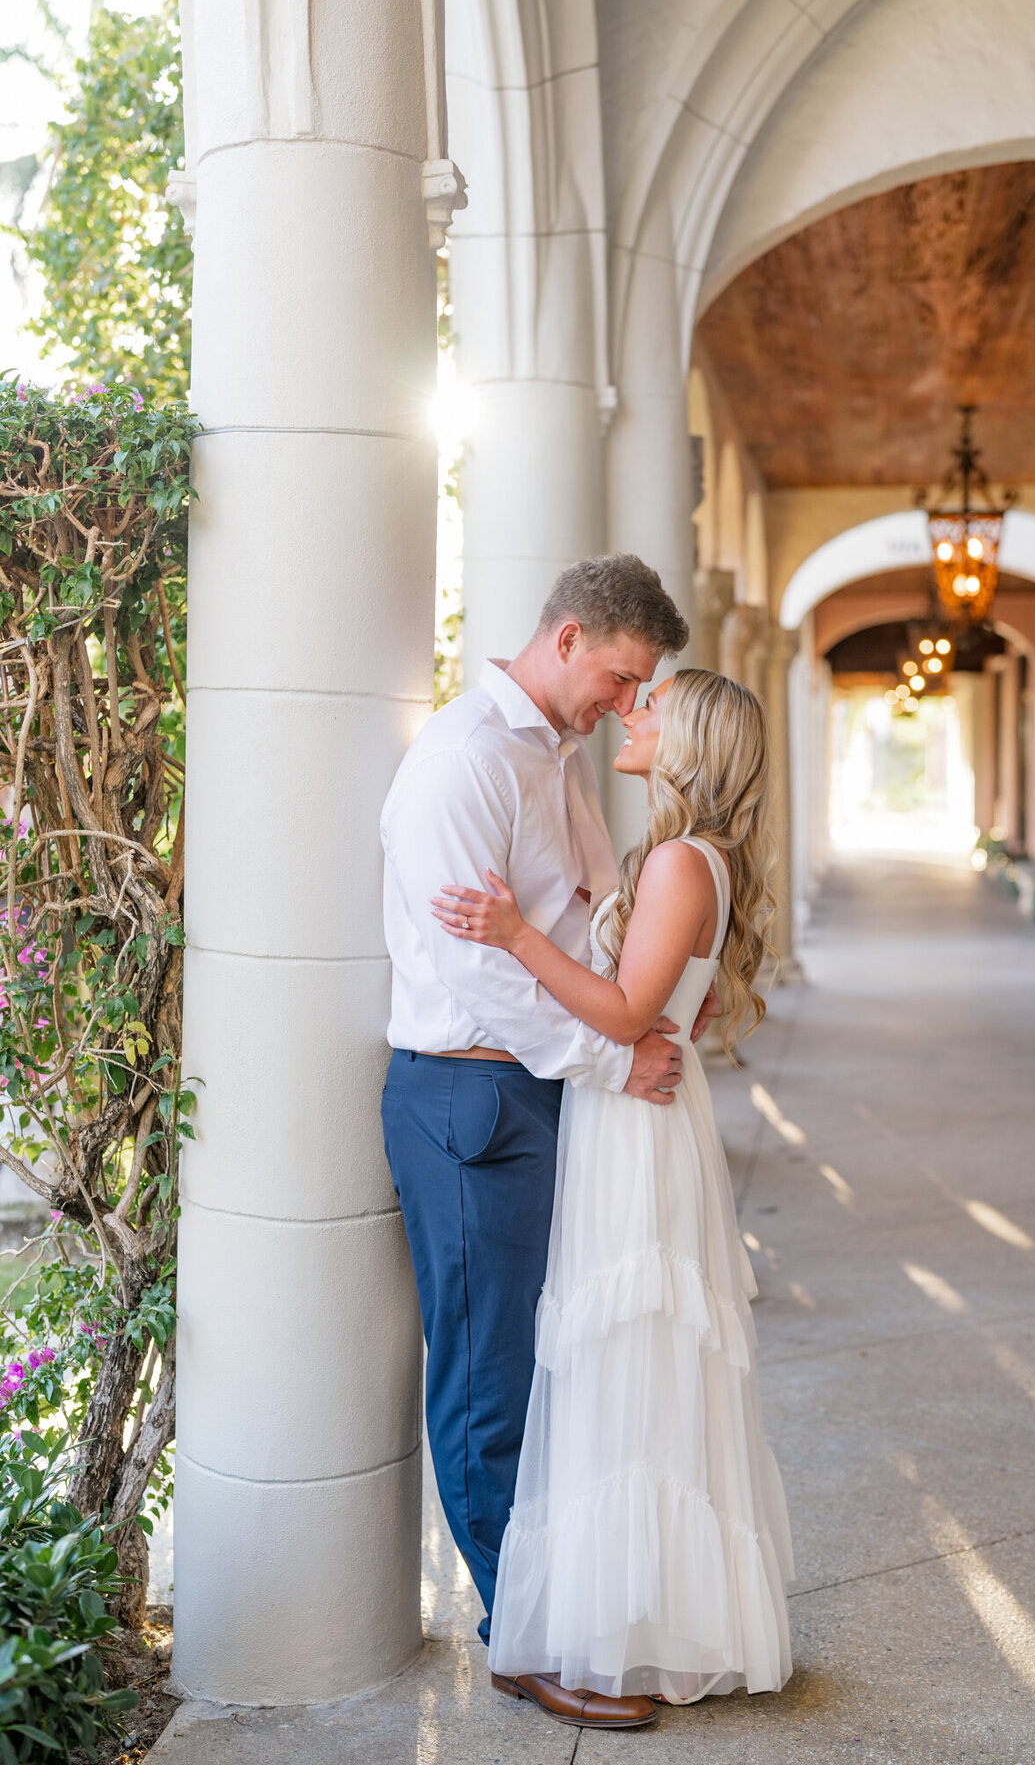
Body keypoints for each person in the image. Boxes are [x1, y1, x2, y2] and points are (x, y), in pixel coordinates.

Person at [380, 555, 706, 1734]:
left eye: (642, 691)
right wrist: (618, 1057)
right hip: (472, 1101)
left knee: (557, 1368)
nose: (627, 705)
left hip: (541, 1093)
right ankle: (518, 1643)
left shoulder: (549, 759)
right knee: (488, 1385)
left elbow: (583, 923)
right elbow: (479, 969)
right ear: (567, 639)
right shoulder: (469, 760)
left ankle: (561, 1611)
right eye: (620, 678)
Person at [432, 668, 794, 1713]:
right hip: (635, 1119)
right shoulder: (687, 858)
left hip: (634, 1124)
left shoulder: (684, 861)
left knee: (628, 1359)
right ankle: (637, 1613)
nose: (633, 714)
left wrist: (515, 935)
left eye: (654, 707)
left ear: (690, 744)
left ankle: (633, 1625)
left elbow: (630, 1014)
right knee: (627, 1362)